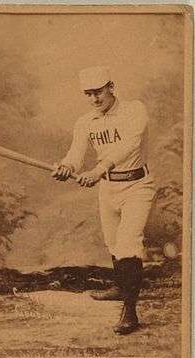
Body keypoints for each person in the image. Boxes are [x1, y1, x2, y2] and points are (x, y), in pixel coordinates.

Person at [51, 66, 155, 335]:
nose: (94, 99)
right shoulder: (85, 121)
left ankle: (130, 312)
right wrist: (66, 167)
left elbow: (129, 145)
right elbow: (75, 154)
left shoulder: (134, 110)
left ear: (111, 86)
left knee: (128, 243)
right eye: (88, 94)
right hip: (108, 189)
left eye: (98, 92)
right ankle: (121, 287)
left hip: (137, 185)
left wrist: (98, 169)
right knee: (112, 242)